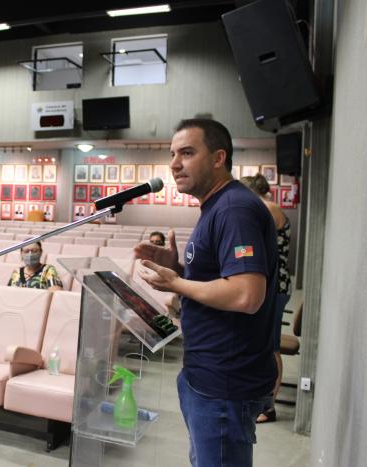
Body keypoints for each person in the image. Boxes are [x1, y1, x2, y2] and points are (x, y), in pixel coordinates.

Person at [134, 119, 277, 467]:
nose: (174, 164)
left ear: (218, 158)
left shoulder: (234, 209)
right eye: (172, 154)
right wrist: (180, 269)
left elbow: (246, 294)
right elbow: (221, 281)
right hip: (207, 374)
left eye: (186, 153)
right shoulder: (218, 206)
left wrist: (176, 283)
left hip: (225, 382)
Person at [241, 173, 292, 424]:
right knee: (266, 344)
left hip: (276, 287)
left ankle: (269, 406)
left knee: (272, 346)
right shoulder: (265, 208)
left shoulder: (267, 209)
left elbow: (251, 245)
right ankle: (262, 399)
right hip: (272, 285)